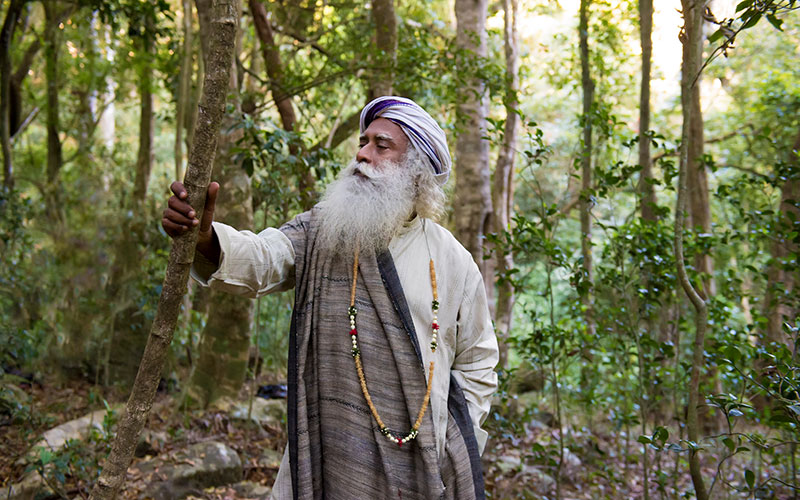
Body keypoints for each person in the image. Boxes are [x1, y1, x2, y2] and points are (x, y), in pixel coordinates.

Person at [162, 96, 499, 500]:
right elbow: (264, 258)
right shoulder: (325, 229)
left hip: (418, 465)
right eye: (363, 141)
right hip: (328, 450)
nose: (361, 153)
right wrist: (206, 238)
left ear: (417, 169)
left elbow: (479, 361)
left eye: (381, 145)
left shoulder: (453, 261)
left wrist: (451, 445)